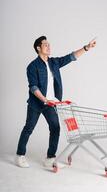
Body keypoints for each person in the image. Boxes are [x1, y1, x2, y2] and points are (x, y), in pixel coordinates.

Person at [15, 35, 96, 168]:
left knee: (55, 128)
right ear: (38, 48)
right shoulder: (32, 66)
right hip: (36, 104)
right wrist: (45, 100)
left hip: (51, 104)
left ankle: (50, 158)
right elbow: (33, 87)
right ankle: (20, 155)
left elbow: (71, 57)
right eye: (45, 45)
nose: (49, 46)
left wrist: (86, 48)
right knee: (29, 128)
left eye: (49, 44)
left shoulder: (54, 62)